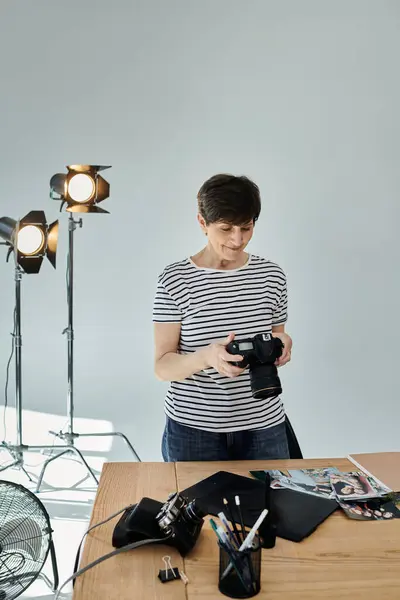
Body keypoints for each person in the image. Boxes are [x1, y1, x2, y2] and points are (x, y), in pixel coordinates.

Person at [153, 174, 293, 461]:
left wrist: (283, 342)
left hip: (264, 425)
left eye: (246, 227)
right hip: (193, 430)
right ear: (202, 223)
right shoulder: (175, 279)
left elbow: (276, 337)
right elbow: (162, 367)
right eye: (226, 228)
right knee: (197, 507)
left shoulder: (271, 276)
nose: (237, 239)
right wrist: (207, 357)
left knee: (274, 506)